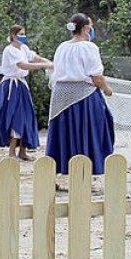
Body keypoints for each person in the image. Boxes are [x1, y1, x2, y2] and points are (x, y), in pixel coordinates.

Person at [45, 13, 115, 175]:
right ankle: (88, 167)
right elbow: (96, 76)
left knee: (65, 131)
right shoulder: (89, 47)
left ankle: (64, 166)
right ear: (85, 28)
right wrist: (107, 89)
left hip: (61, 96)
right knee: (90, 129)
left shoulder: (61, 47)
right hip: (84, 95)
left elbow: (56, 72)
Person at [0, 24, 54, 160]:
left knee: (27, 117)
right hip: (11, 86)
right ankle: (12, 152)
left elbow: (35, 57)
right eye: (21, 34)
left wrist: (50, 62)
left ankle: (23, 151)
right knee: (15, 116)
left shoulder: (23, 48)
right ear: (13, 36)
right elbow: (22, 65)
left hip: (22, 85)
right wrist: (44, 65)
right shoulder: (9, 50)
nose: (24, 37)